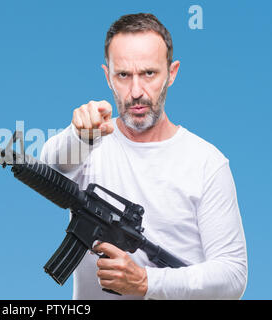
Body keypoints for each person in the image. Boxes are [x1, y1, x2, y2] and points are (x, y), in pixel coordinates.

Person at [40, 13, 247, 300]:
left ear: (171, 73)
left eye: (149, 73)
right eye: (123, 75)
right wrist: (80, 136)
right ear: (107, 76)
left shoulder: (207, 163)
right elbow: (48, 170)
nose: (136, 92)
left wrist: (147, 281)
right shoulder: (88, 141)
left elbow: (232, 276)